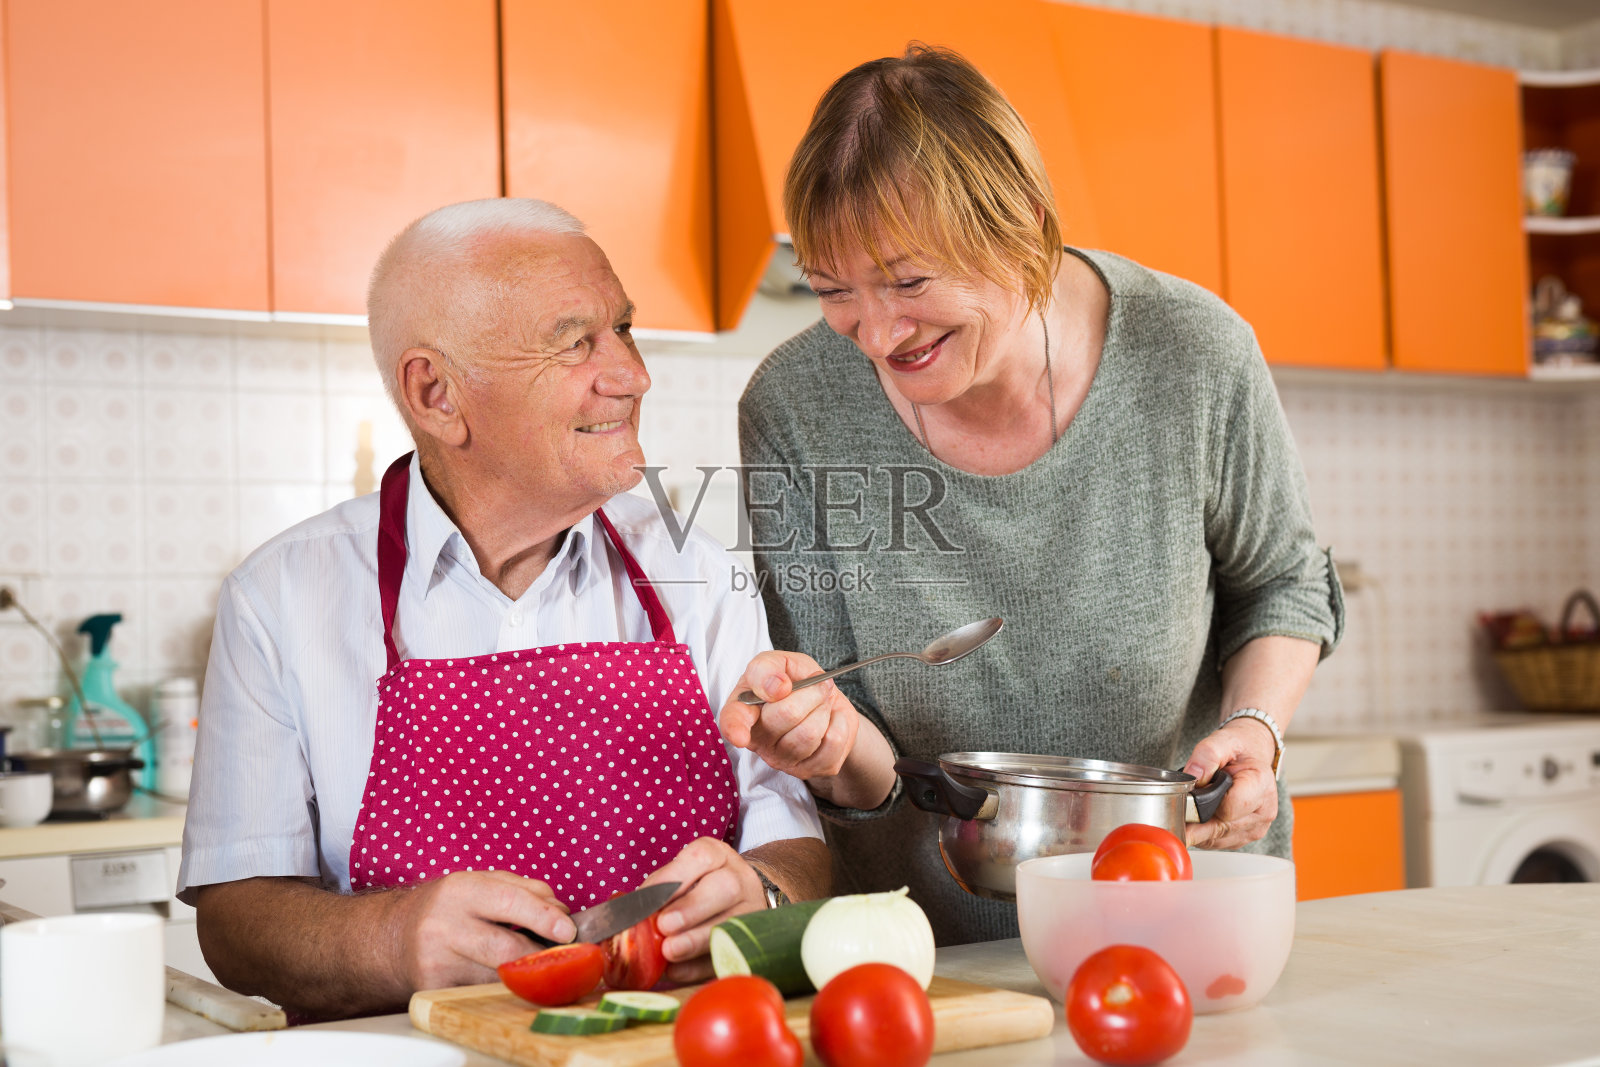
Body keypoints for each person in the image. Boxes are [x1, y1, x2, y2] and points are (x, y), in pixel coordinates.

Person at [720, 46, 1344, 944]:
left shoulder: (1194, 353)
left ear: (1024, 231)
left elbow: (1284, 584)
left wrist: (1256, 726)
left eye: (908, 280)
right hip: (922, 943)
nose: (880, 332)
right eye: (834, 290)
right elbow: (840, 719)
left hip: (1179, 903)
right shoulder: (794, 407)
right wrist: (816, 734)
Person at [177, 198, 837, 1018]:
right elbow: (235, 920)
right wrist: (389, 938)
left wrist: (763, 892)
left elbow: (796, 843)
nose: (634, 373)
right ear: (437, 393)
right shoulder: (278, 600)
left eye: (623, 329)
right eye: (575, 343)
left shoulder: (697, 575)